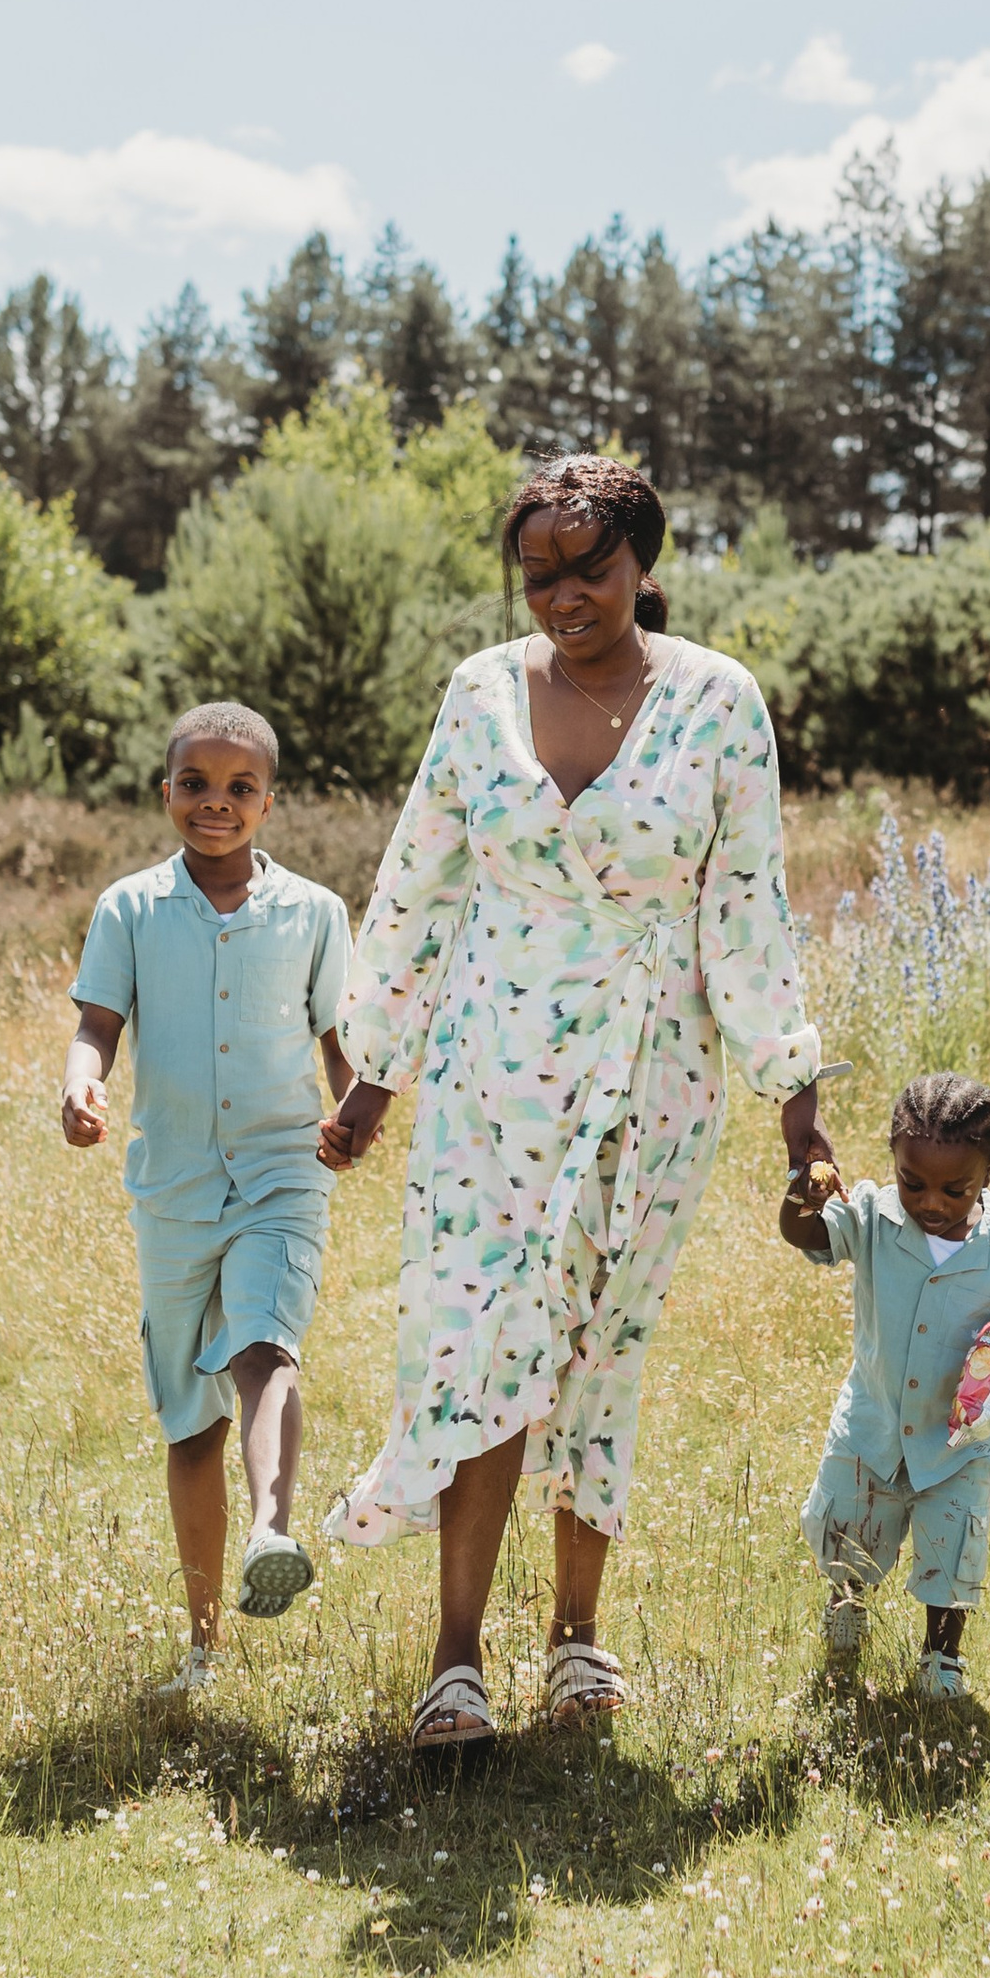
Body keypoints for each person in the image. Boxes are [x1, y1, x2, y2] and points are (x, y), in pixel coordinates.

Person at [320, 454, 830, 1746]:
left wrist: (797, 1110)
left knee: (599, 1347)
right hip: (492, 1081)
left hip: (651, 1077)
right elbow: (418, 884)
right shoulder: (478, 697)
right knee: (483, 1338)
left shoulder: (721, 706)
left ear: (642, 562)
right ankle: (454, 1660)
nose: (562, 597)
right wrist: (373, 1075)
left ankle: (577, 1642)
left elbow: (748, 908)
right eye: (539, 574)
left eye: (588, 568)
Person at [63, 701, 352, 1699]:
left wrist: (357, 1109)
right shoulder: (129, 908)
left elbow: (336, 1036)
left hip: (282, 1169)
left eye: (238, 789)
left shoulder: (314, 912)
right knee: (190, 1427)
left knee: (264, 1343)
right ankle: (199, 1647)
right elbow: (98, 1020)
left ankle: (273, 1526)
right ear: (166, 792)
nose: (215, 804)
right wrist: (79, 1080)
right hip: (173, 1187)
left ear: (269, 802)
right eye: (195, 784)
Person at [779, 1071, 990, 1701]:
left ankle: (941, 1656)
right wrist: (802, 1196)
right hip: (873, 1423)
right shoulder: (873, 1214)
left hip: (956, 1441)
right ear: (893, 1161)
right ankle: (847, 1605)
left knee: (951, 1543)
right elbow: (809, 1237)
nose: (931, 1202)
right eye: (913, 1182)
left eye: (955, 1189)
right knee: (850, 1528)